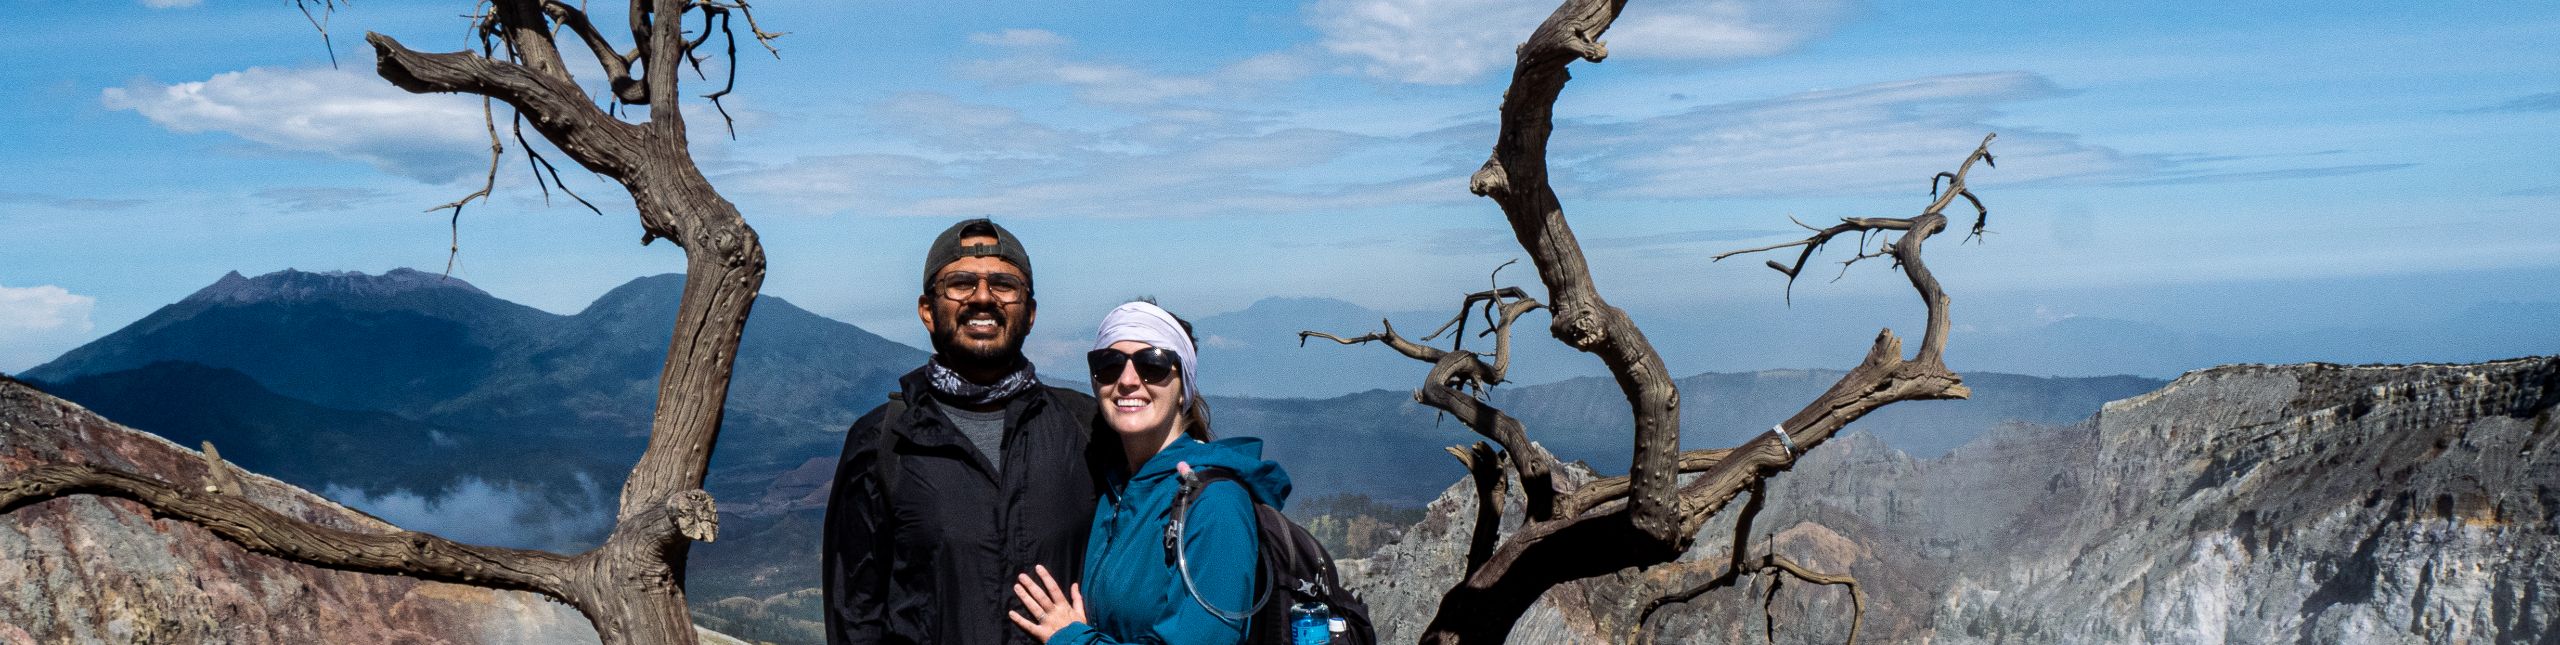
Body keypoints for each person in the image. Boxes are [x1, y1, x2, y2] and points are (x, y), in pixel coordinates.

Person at [824, 218, 1114, 645]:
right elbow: (855, 616)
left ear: (1030, 314)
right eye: (960, 284)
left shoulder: (1086, 428)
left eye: (1004, 285)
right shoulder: (883, 441)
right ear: (928, 310)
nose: (982, 297)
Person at [1006, 300, 1292, 645]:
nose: (1127, 381)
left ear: (1183, 387)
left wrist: (1072, 639)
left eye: (1152, 365)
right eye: (1109, 365)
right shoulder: (1117, 491)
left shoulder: (1216, 505)